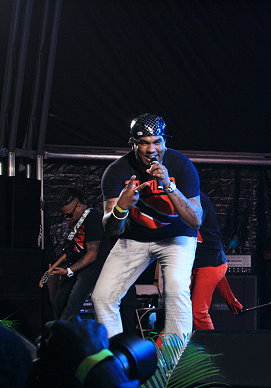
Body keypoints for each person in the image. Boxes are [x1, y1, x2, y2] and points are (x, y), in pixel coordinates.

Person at [92, 113, 202, 339]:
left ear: (164, 142)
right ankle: (116, 356)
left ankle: (174, 357)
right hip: (135, 238)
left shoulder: (180, 165)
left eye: (157, 142)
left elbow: (195, 220)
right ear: (132, 144)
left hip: (176, 237)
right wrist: (121, 207)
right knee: (102, 297)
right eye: (144, 143)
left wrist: (169, 186)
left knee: (176, 290)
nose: (151, 150)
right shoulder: (116, 171)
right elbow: (111, 228)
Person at [51, 188, 109, 320]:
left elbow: (92, 255)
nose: (67, 219)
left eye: (69, 215)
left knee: (72, 306)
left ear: (78, 206)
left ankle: (64, 332)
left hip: (91, 268)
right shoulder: (78, 219)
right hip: (76, 265)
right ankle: (57, 329)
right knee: (59, 302)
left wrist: (69, 270)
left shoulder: (93, 218)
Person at [190, 191, 243, 330]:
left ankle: (211, 343)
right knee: (178, 309)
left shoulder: (198, 200)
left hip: (211, 262)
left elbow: (194, 222)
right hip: (198, 263)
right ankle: (165, 343)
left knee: (198, 311)